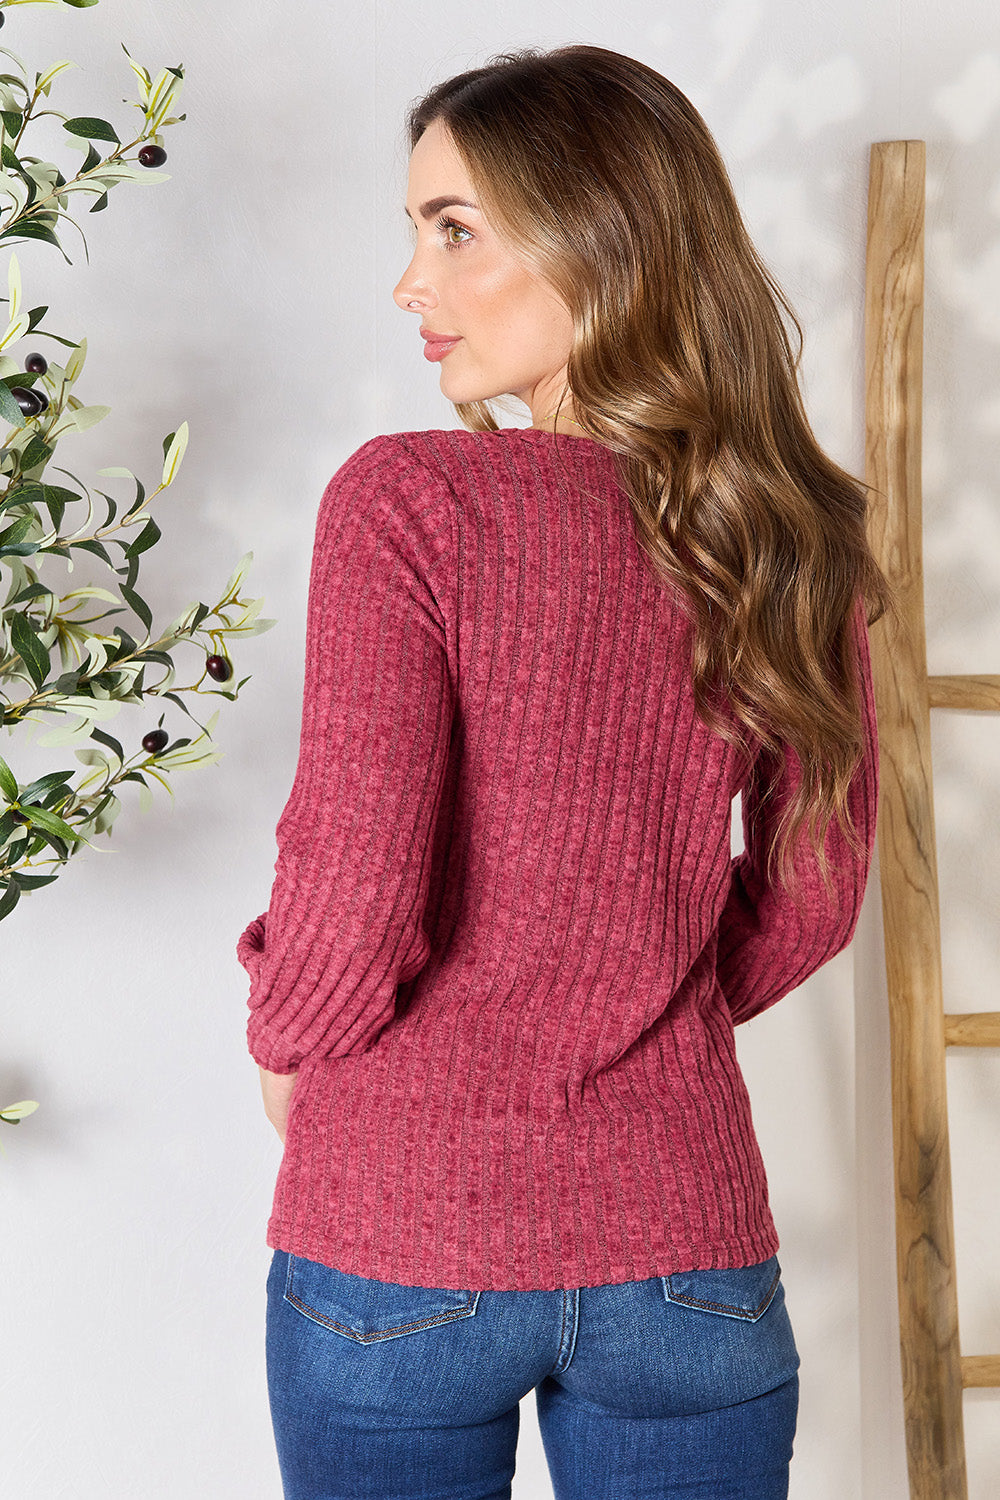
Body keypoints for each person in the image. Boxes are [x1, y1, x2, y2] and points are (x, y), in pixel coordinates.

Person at [238, 43, 890, 1500]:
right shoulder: (790, 532)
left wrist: (285, 1037)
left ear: (601, 231)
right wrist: (631, 996)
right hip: (688, 1254)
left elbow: (351, 898)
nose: (412, 283)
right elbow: (814, 900)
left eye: (453, 228)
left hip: (397, 1245)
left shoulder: (410, 502)